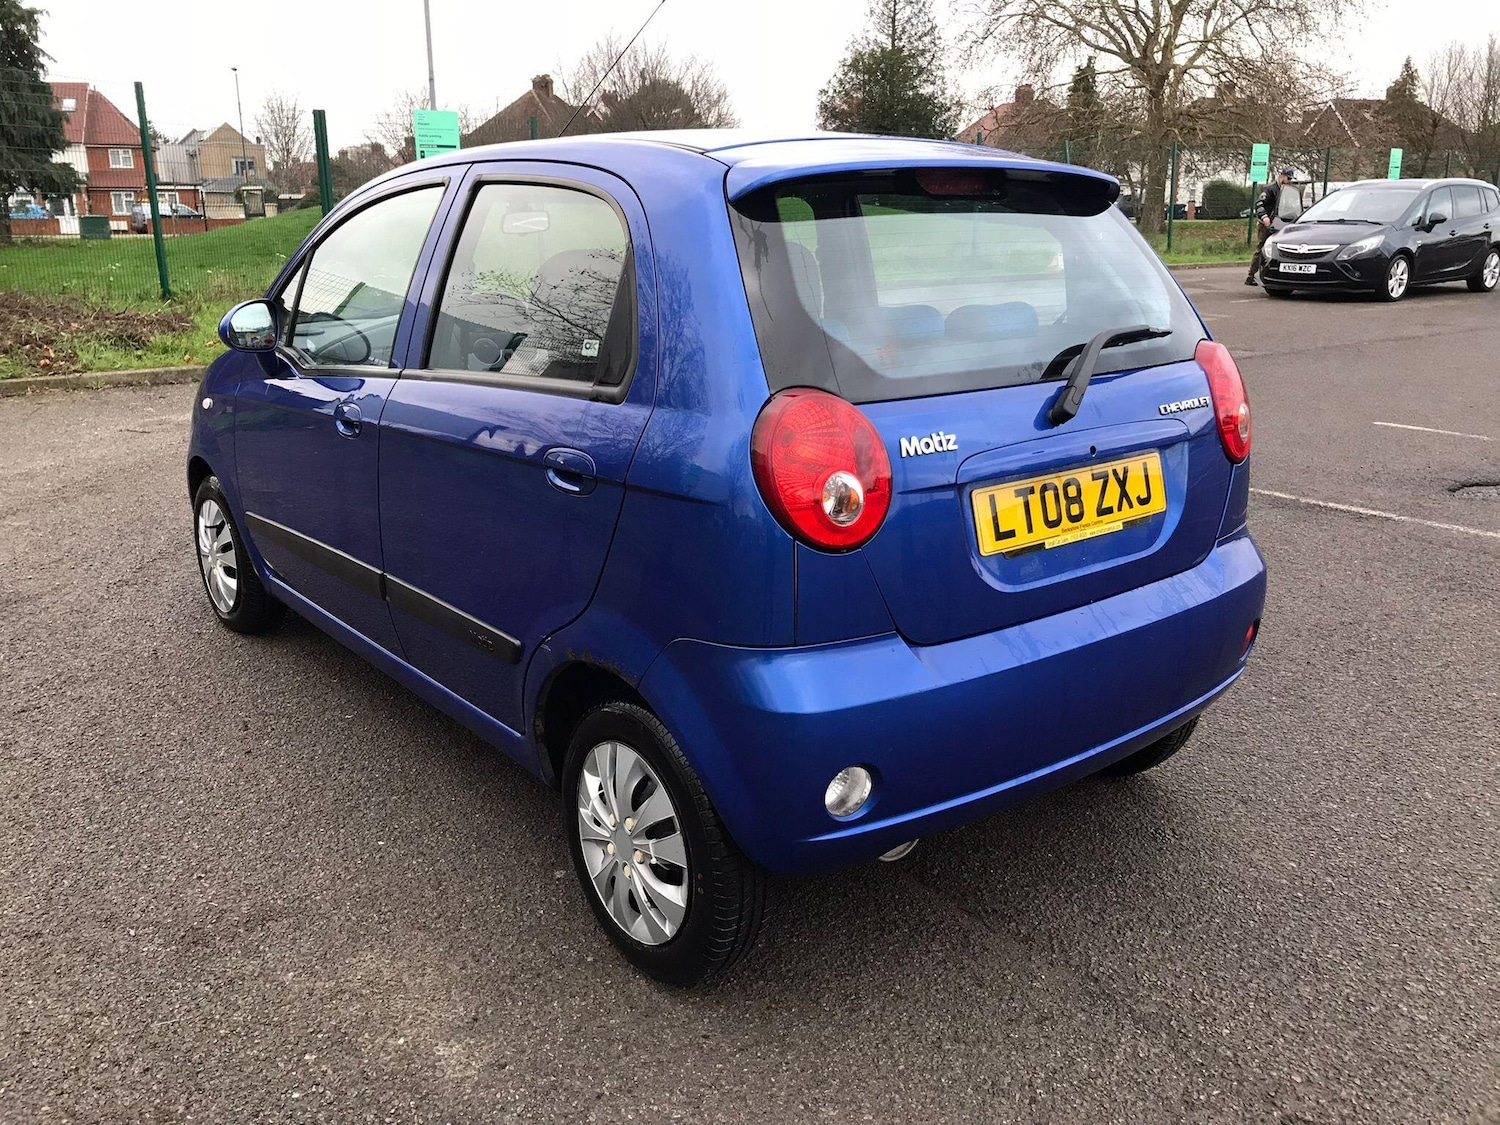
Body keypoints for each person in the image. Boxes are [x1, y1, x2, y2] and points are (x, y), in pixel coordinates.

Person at [1246, 168, 1294, 286]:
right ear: (1281, 176)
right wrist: (1265, 218)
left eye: (1291, 179)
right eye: (1288, 178)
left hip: (1279, 223)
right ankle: (1250, 275)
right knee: (1261, 248)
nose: (1289, 181)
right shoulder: (1270, 189)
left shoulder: (1285, 191)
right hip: (1266, 224)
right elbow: (1259, 204)